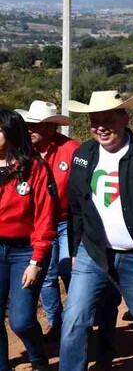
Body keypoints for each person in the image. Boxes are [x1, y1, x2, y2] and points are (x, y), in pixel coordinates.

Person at [60, 91, 133, 371]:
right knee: (75, 319)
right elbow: (76, 207)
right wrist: (75, 249)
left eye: (108, 119)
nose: (101, 127)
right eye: (94, 120)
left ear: (125, 118)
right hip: (93, 253)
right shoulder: (83, 155)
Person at [16, 100, 79, 340]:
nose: (30, 129)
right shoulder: (23, 153)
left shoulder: (72, 149)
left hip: (66, 221)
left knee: (68, 270)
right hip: (38, 224)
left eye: (36, 125)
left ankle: (76, 321)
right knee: (46, 275)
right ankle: (57, 324)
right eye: (29, 124)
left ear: (52, 127)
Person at [0, 109, 56, 371]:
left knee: (21, 321)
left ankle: (38, 360)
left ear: (11, 133)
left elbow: (45, 218)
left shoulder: (34, 168)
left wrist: (36, 260)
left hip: (25, 251)